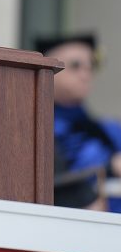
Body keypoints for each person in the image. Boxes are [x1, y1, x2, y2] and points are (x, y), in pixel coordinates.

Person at [37, 33, 121, 212]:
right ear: (50, 68)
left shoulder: (109, 128)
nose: (86, 74)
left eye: (91, 65)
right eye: (76, 66)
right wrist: (110, 167)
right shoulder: (37, 126)